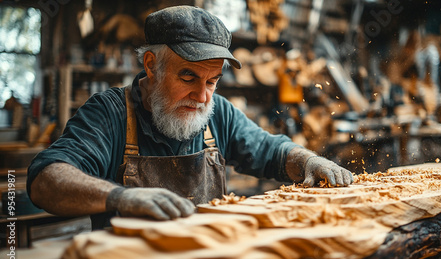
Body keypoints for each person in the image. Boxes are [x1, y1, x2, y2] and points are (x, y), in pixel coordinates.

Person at [28, 5, 353, 229]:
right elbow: (45, 180)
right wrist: (121, 197)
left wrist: (309, 161)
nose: (202, 97)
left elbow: (272, 150)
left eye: (212, 81)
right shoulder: (110, 114)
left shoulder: (218, 113)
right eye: (188, 78)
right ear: (152, 65)